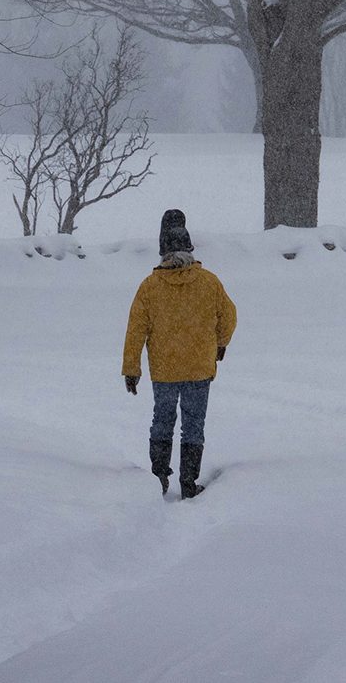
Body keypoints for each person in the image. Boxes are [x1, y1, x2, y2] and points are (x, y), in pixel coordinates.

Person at [122, 208, 237, 499]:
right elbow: (229, 316)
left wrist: (131, 368)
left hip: (165, 370)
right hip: (199, 368)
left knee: (162, 420)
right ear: (189, 250)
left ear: (163, 252)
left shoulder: (150, 287)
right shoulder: (209, 282)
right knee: (193, 425)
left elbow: (136, 330)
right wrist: (220, 344)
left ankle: (159, 477)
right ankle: (188, 482)